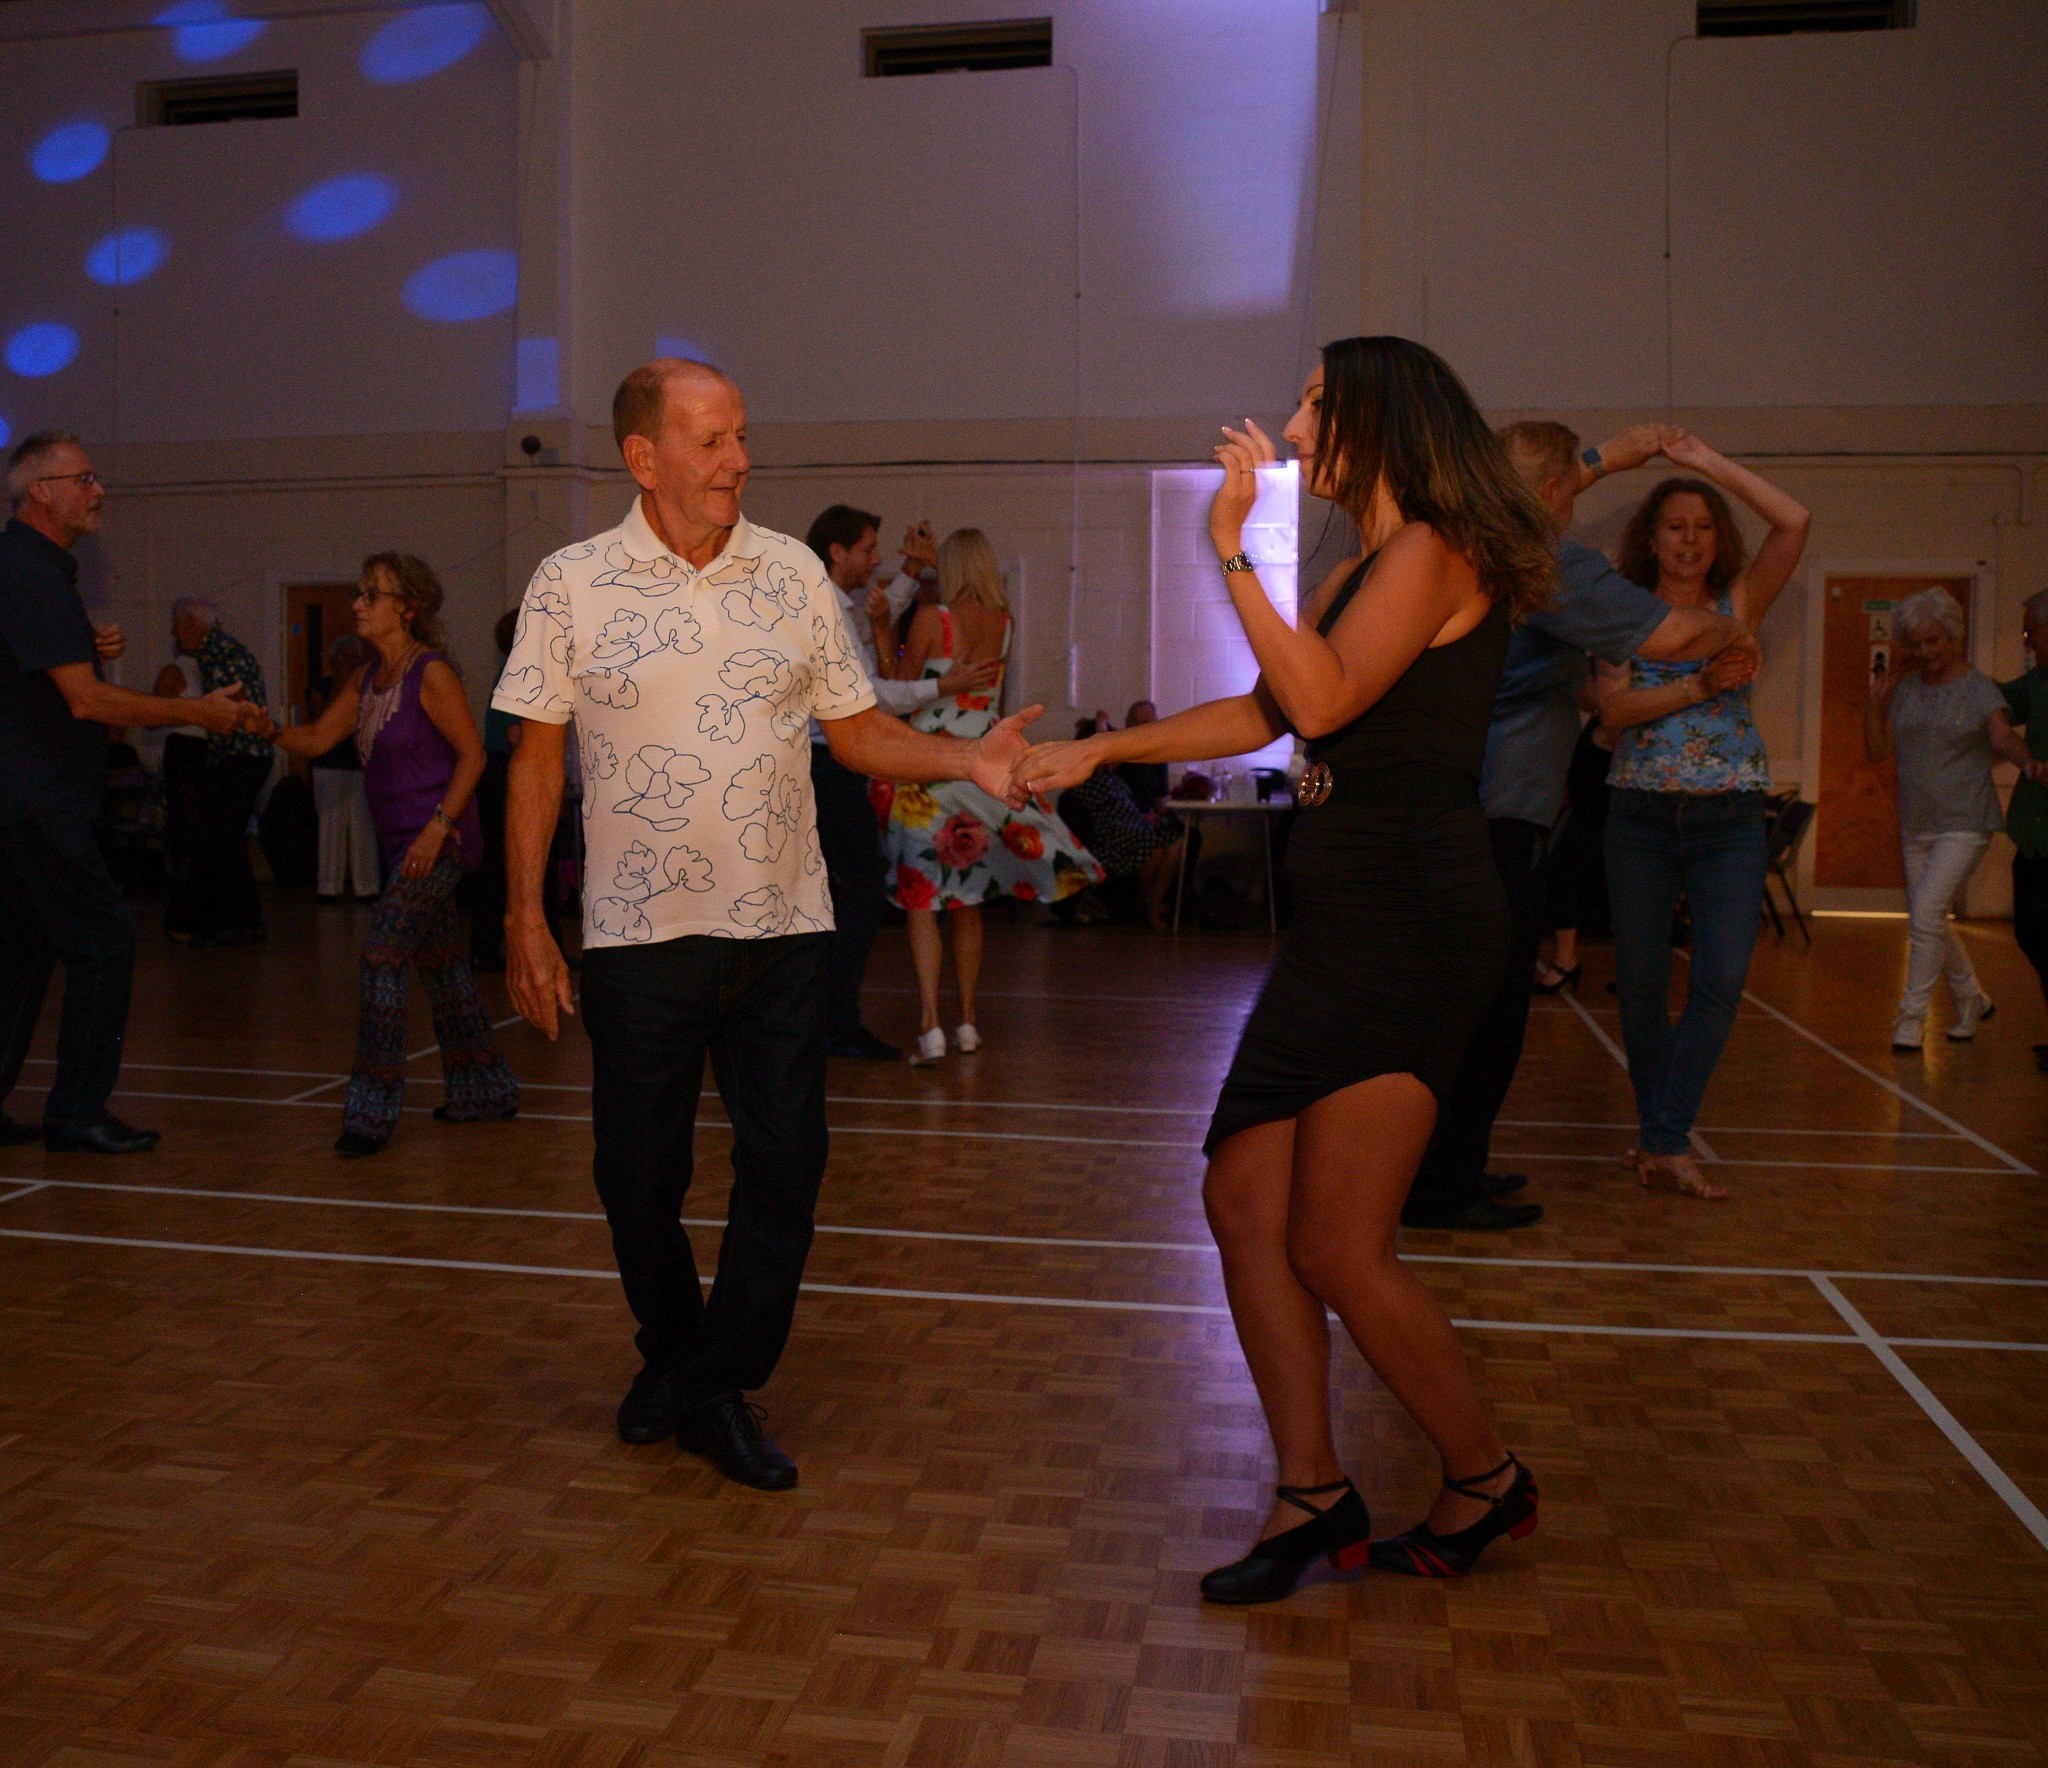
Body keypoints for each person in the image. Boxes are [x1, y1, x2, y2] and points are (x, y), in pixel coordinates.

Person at [1015, 335, 1557, 1600]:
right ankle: (1312, 1491)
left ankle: (1484, 1476)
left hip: (1413, 927)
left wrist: (1228, 545)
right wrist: (1103, 754)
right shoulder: (1362, 565)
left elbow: (1316, 703)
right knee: (1242, 1201)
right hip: (1341, 931)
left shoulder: (1433, 549)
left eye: (1318, 404)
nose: (1296, 427)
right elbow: (1268, 712)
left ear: (1384, 417)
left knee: (1336, 1244)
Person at [493, 359, 1042, 1493]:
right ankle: (679, 1359)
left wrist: (967, 759)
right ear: (643, 457)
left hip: (785, 931)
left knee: (787, 1169)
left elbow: (857, 733)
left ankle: (711, 1381)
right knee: (634, 1179)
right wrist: (523, 915)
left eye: (741, 435)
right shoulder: (570, 584)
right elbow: (537, 759)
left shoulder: (792, 572)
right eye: (710, 441)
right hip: (637, 938)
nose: (738, 460)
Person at [1402, 419, 1758, 1231]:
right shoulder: (1549, 563)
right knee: (1488, 1011)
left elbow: (1517, 491)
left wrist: (1600, 460)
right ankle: (1441, 1186)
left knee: (1474, 1006)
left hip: (1469, 804)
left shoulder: (1473, 542)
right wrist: (1736, 632)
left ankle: (1454, 1165)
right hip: (1497, 811)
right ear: (1555, 493)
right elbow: (1671, 634)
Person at [0, 430, 251, 1154]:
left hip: (24, 796)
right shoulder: (29, 571)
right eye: (83, 479)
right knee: (103, 943)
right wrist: (195, 712)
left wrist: (82, 642)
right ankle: (77, 1111)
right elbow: (85, 701)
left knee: (22, 953)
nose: (99, 490)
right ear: (40, 491)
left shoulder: (31, 568)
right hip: (37, 798)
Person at [1592, 436, 1810, 1201]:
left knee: (1721, 977)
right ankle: (1664, 1140)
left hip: (1730, 815)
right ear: (1650, 539)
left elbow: (1794, 521)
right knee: (1641, 982)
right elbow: (1614, 712)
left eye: (1704, 526)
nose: (1689, 540)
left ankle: (1661, 1136)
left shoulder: (1737, 605)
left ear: (1719, 540)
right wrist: (1699, 685)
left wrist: (1705, 463)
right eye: (1675, 526)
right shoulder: (1621, 611)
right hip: (1640, 813)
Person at [260, 554, 517, 1155]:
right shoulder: (367, 677)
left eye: (372, 595)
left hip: (438, 844)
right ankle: (485, 1091)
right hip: (401, 844)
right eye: (359, 593)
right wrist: (260, 727)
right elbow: (316, 739)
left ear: (408, 608)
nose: (358, 604)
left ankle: (370, 1114)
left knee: (381, 957)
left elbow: (474, 755)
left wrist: (437, 828)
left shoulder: (431, 672)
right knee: (444, 969)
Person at [874, 527, 1102, 1064]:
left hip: (931, 762)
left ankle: (931, 1025)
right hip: (981, 765)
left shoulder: (932, 619)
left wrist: (882, 632)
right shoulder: (1004, 623)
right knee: (967, 901)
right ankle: (968, 1022)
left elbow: (897, 691)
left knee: (923, 901)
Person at [804, 505, 998, 1060]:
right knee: (876, 890)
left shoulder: (848, 607)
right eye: (868, 549)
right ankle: (839, 1023)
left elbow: (883, 638)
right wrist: (942, 687)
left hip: (899, 768)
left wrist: (910, 576)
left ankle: (905, 1022)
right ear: (837, 552)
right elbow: (873, 692)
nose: (876, 560)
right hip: (839, 763)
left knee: (896, 896)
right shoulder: (1001, 621)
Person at [1864, 587, 2032, 1051]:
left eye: (1933, 641)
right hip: (1916, 822)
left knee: (1924, 916)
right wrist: (1874, 703)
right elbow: (1877, 750)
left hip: (1966, 820)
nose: (1925, 652)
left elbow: (2003, 738)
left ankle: (1911, 1019)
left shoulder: (1978, 688)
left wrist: (2029, 763)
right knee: (1929, 915)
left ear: (1953, 635)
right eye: (1916, 644)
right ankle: (1971, 998)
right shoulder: (1907, 690)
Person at [166, 598, 273, 946]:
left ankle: (236, 921)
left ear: (191, 624)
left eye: (178, 625)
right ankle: (241, 920)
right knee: (226, 837)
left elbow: (233, 706)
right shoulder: (224, 649)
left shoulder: (217, 651)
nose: (175, 632)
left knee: (221, 838)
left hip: (240, 756)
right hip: (246, 756)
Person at [1058, 716, 1187, 928]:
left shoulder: (1113, 776)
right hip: (1114, 839)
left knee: (1174, 843)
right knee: (1158, 849)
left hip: (1132, 830)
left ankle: (1151, 901)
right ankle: (1151, 904)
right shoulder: (1088, 778)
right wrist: (1101, 722)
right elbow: (1100, 749)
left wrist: (1144, 818)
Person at [2000, 592, 2048, 1070]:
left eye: (2031, 631)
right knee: (2033, 932)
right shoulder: (2037, 683)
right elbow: (1997, 702)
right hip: (2036, 835)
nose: (2027, 642)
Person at [308, 634, 379, 903]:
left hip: (360, 763)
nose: (350, 662)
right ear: (335, 659)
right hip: (328, 764)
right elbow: (322, 719)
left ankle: (367, 886)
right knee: (330, 826)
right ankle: (328, 887)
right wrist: (341, 681)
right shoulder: (321, 685)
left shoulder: (367, 687)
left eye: (355, 657)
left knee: (363, 827)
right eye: (345, 657)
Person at [151, 636, 210, 934]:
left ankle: (191, 911)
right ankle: (183, 912)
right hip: (188, 753)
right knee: (187, 831)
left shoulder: (205, 670)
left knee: (193, 832)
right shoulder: (180, 670)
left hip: (197, 754)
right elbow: (151, 717)